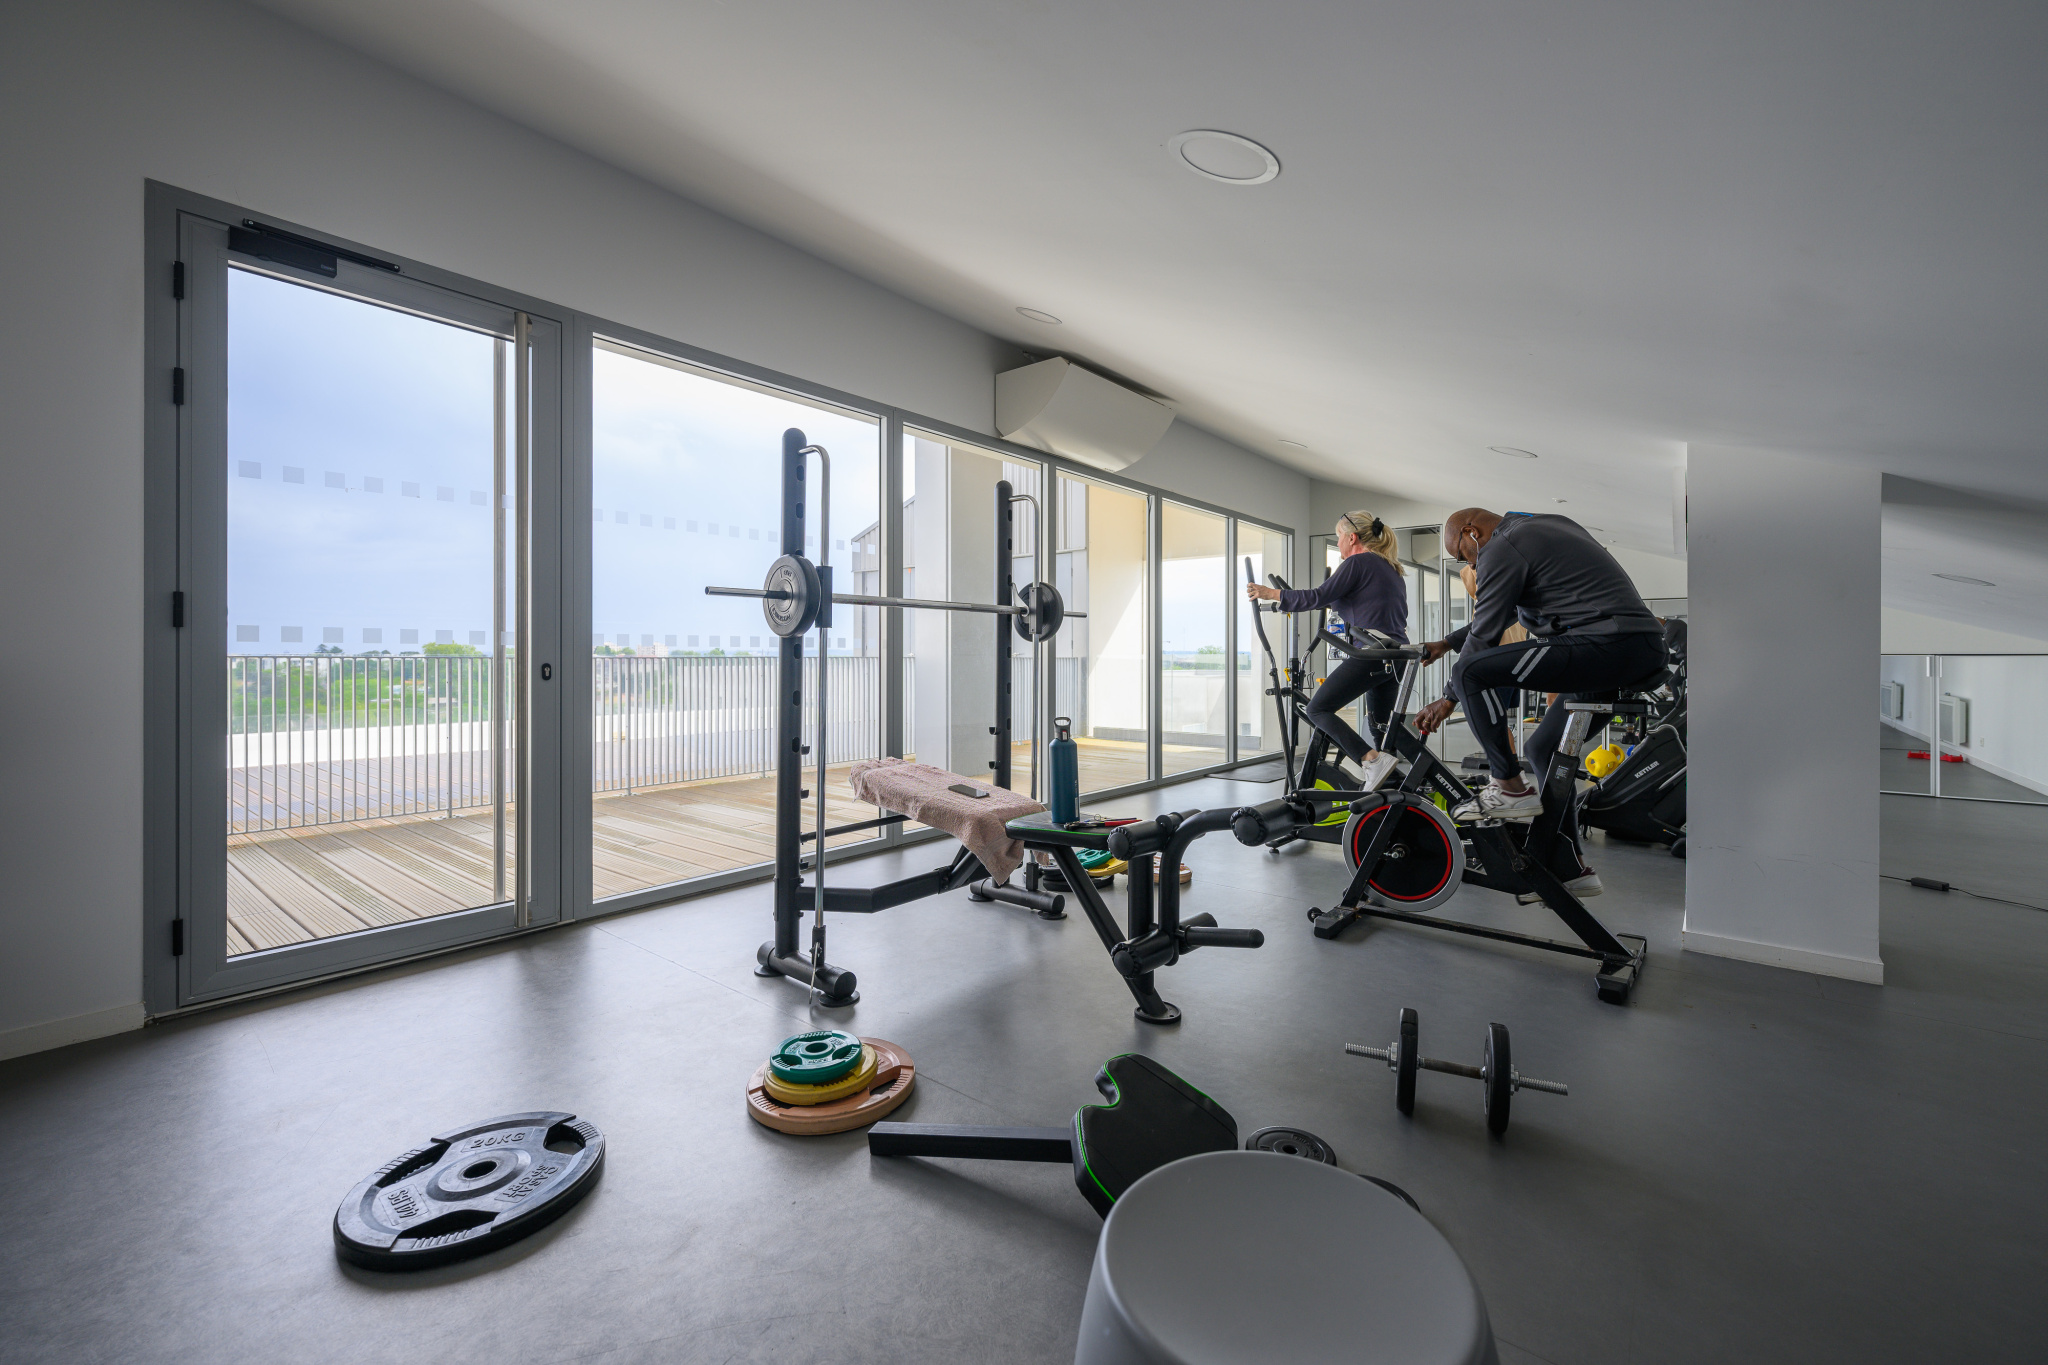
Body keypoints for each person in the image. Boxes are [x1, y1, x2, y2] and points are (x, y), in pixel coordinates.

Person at [1414, 508, 1667, 898]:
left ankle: (1509, 786)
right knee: (1543, 748)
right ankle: (1570, 867)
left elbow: (1485, 633)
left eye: (1465, 555)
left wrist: (1448, 699)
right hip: (1633, 648)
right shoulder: (1543, 526)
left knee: (1469, 673)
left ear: (1472, 532)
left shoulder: (1502, 545)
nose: (1473, 566)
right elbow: (1507, 613)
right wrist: (1447, 643)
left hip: (1606, 644)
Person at [1246, 511, 1408, 790]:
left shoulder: (1357, 562)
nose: (1338, 543)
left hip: (1372, 652)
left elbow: (1318, 596)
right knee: (1381, 727)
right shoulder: (1390, 568)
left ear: (1352, 538)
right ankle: (1396, 783)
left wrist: (1271, 594)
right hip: (1397, 654)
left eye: (1338, 537)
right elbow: (1343, 601)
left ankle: (1370, 760)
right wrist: (1292, 600)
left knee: (1318, 709)